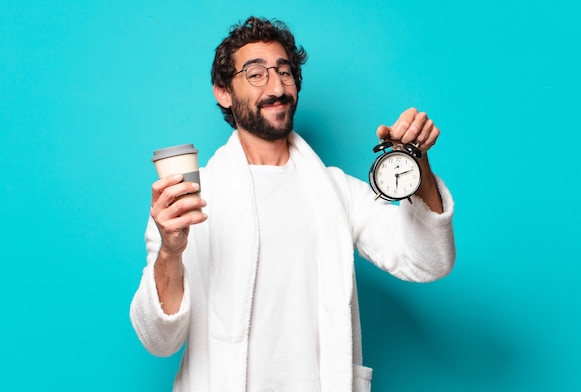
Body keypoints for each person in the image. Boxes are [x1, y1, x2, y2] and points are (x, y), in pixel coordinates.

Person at [130, 16, 456, 392]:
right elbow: (158, 340)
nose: (276, 86)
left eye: (285, 72)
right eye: (255, 74)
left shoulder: (336, 191)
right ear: (223, 91)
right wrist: (170, 250)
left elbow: (428, 261)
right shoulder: (187, 201)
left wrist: (416, 163)